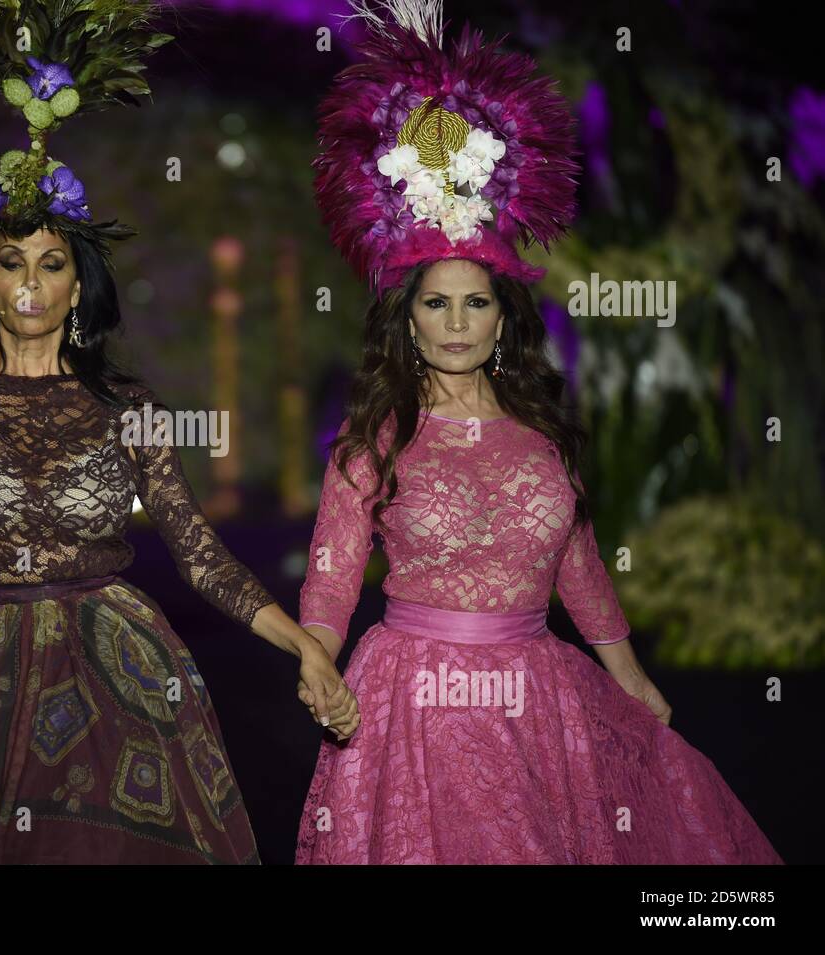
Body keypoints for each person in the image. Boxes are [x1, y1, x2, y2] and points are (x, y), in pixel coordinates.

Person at [0, 0, 356, 864]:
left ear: (77, 288)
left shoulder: (127, 404)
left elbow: (199, 554)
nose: (30, 283)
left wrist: (303, 644)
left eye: (52, 264)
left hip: (113, 672)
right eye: (12, 261)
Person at [292, 0, 783, 864]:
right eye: (435, 304)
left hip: (541, 703)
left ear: (500, 318)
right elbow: (332, 579)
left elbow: (580, 564)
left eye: (474, 302)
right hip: (417, 708)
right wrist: (318, 664)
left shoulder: (542, 432)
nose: (454, 322)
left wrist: (628, 675)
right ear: (409, 323)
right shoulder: (376, 434)